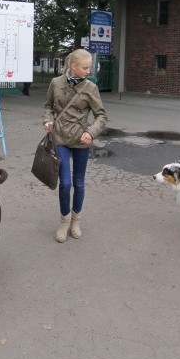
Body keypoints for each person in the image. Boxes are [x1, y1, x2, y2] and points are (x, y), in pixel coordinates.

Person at [43, 49, 107, 243]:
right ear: (73, 66)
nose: (89, 71)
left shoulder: (91, 88)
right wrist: (48, 120)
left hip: (81, 140)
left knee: (78, 183)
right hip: (60, 138)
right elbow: (48, 106)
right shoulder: (56, 83)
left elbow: (101, 116)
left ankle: (76, 220)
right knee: (65, 183)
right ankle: (64, 221)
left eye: (90, 67)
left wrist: (90, 132)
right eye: (85, 67)